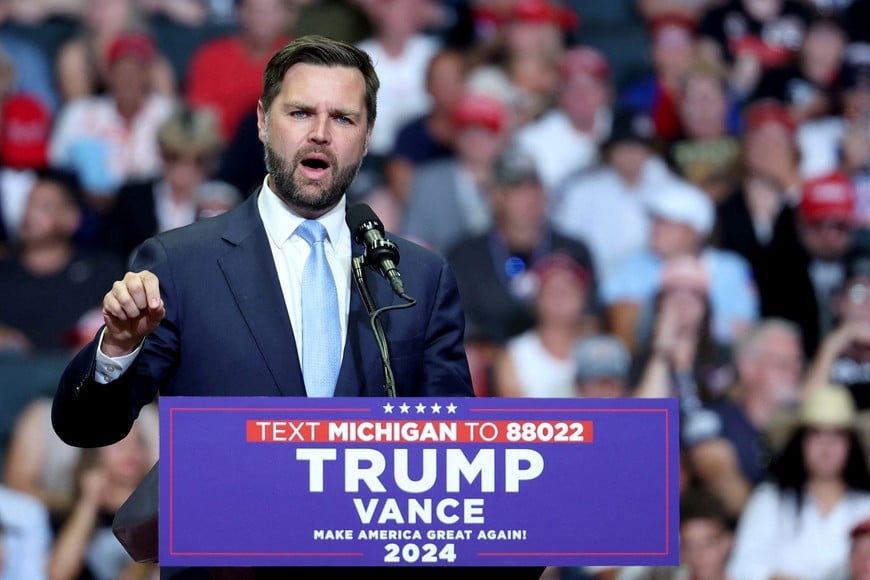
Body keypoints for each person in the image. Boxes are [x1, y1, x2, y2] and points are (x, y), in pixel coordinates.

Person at [52, 35, 539, 580]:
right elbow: (86, 426)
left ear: (368, 136)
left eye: (344, 118)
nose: (320, 133)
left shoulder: (418, 278)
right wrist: (117, 348)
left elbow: (453, 464)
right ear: (262, 121)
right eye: (300, 111)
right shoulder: (181, 264)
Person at [727, 384, 870, 580]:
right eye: (816, 434)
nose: (826, 445)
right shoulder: (769, 500)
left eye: (837, 434)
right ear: (800, 443)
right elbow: (741, 569)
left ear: (851, 445)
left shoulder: (866, 505)